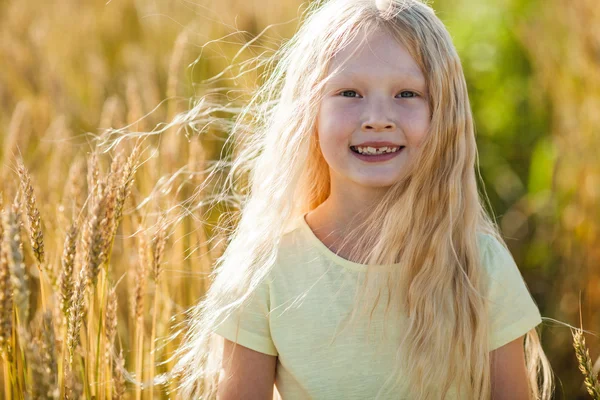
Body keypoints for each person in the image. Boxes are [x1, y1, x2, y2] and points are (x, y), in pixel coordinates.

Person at [171, 0, 555, 398]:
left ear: (443, 114)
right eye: (349, 92)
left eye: (407, 93)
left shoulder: (478, 266)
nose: (376, 117)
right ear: (309, 112)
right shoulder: (264, 272)